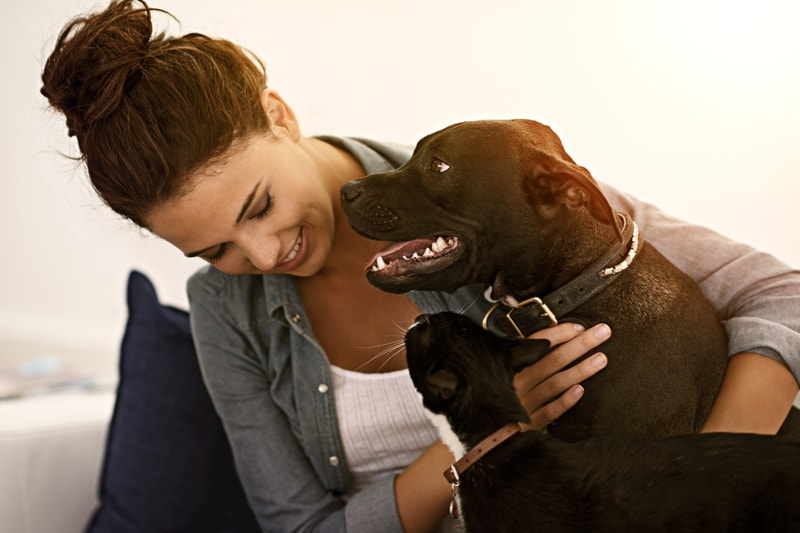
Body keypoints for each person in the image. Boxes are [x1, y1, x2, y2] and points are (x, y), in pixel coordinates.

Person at [41, 1, 800, 531]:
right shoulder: (222, 312)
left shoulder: (492, 184)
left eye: (259, 205)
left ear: (279, 116)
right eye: (216, 251)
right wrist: (482, 434)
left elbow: (782, 293)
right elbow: (302, 526)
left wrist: (704, 484)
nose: (267, 255)